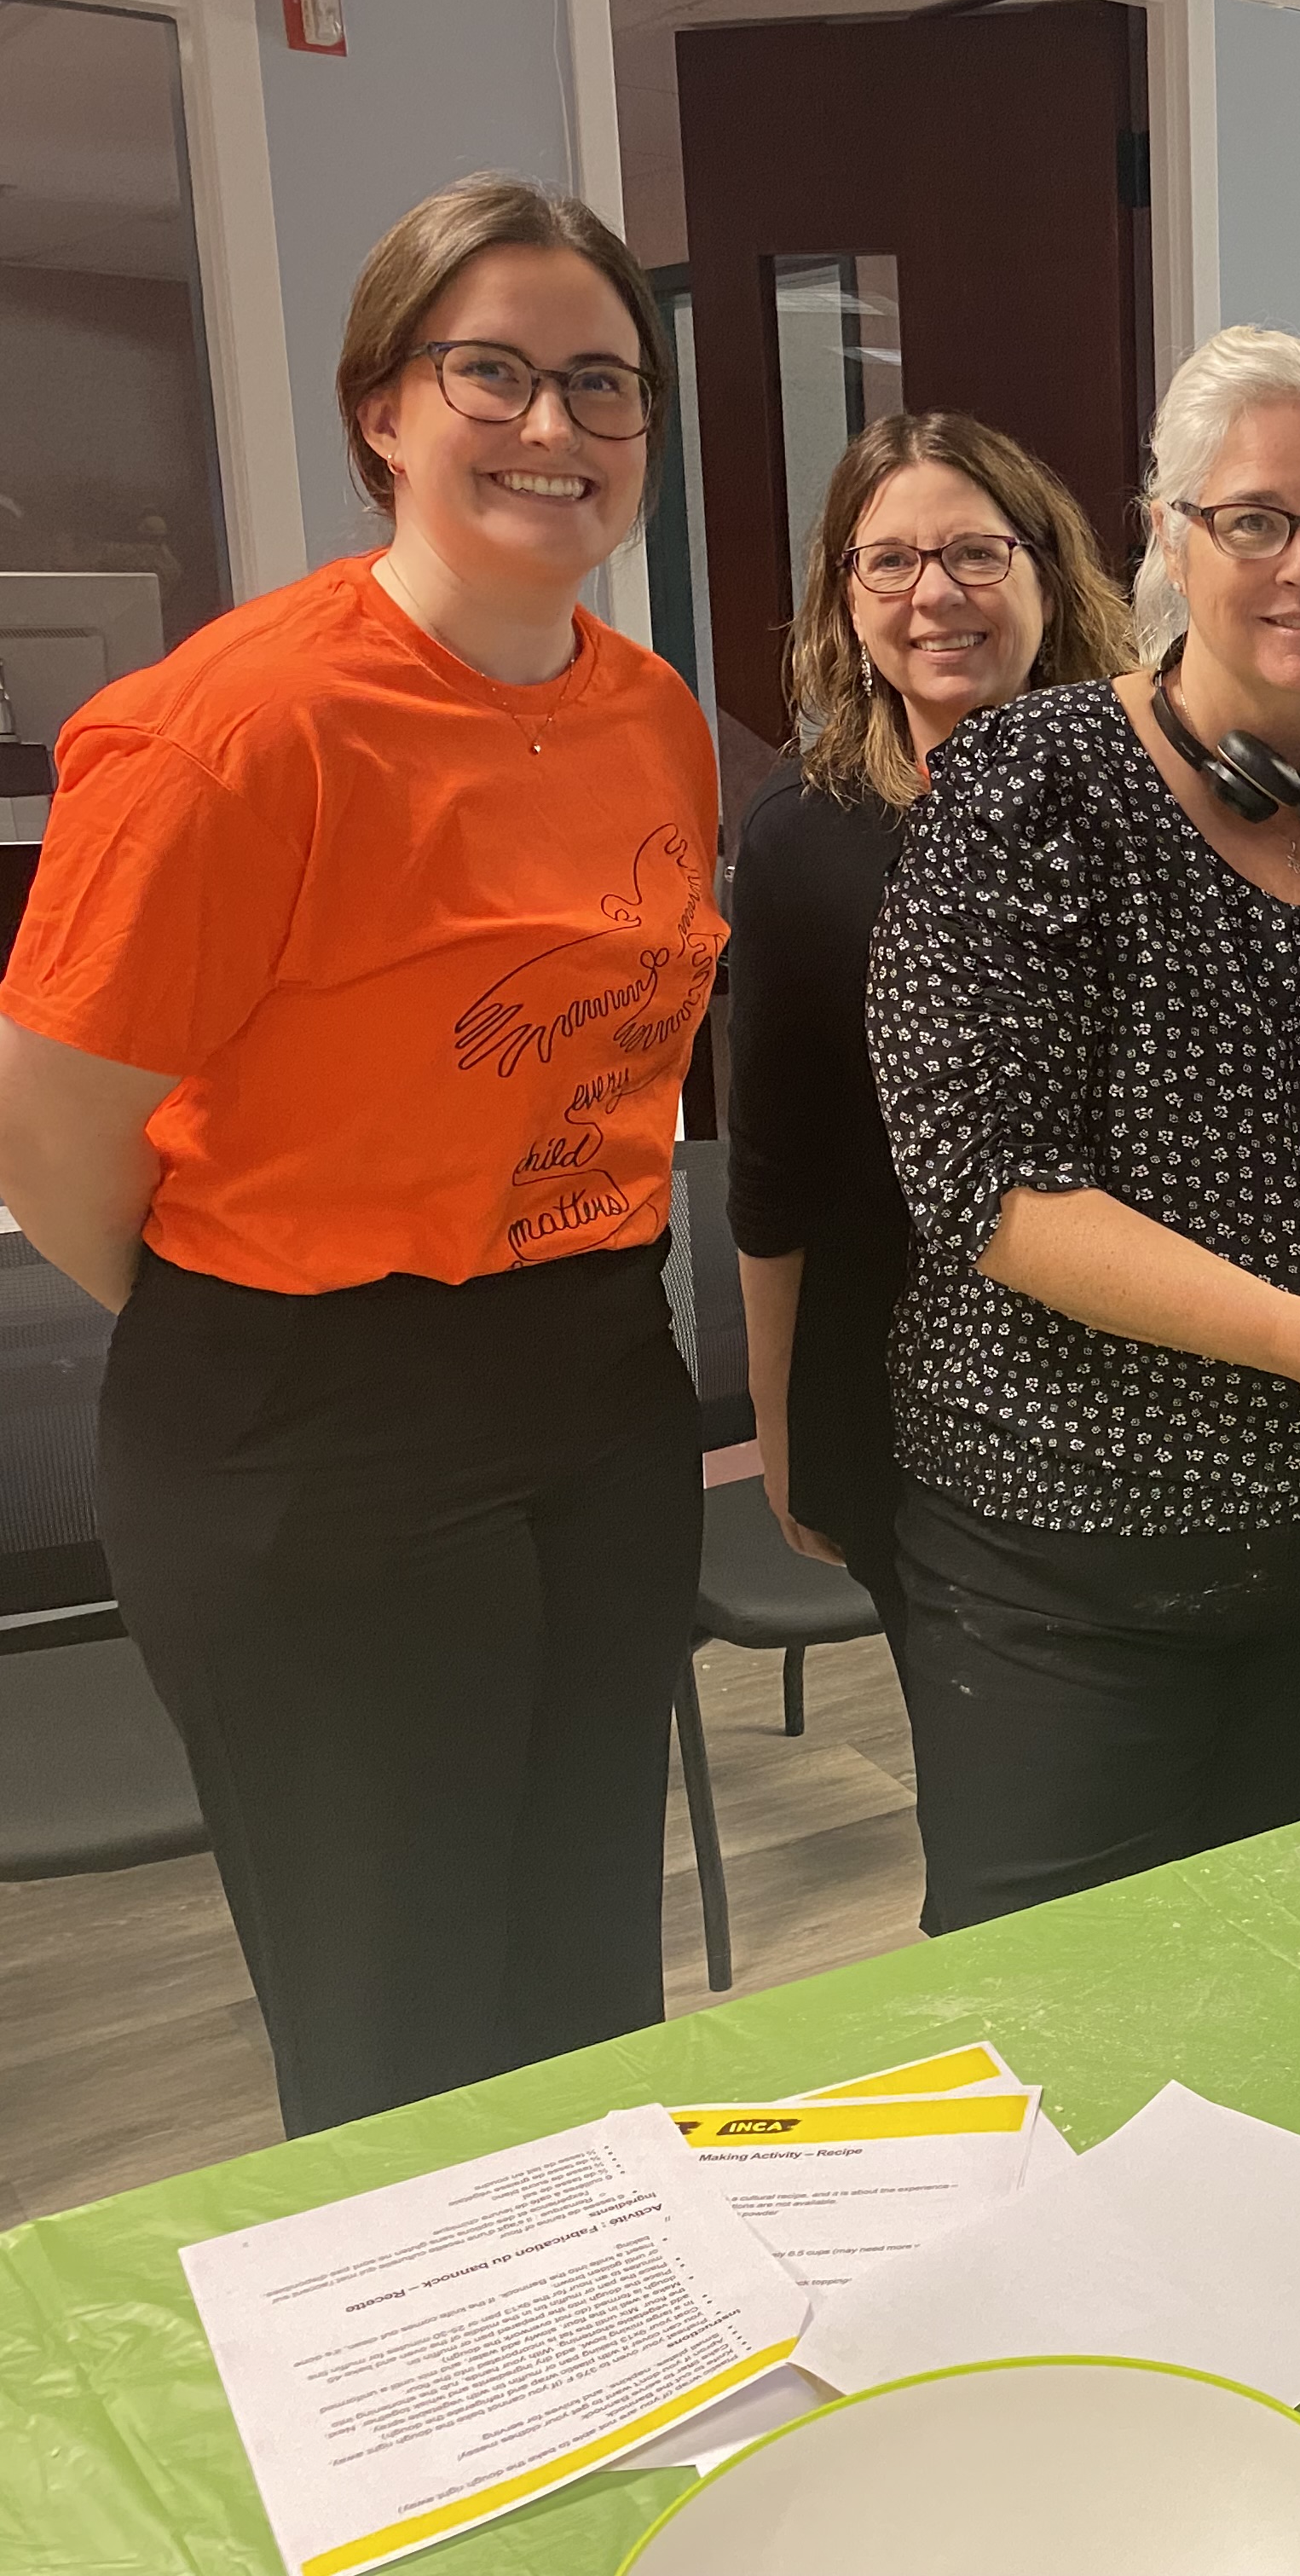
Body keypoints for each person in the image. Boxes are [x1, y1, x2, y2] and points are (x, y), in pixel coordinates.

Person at [0, 177, 721, 2133]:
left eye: (603, 382)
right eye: (492, 370)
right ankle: (437, 2422)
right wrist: (265, 1314)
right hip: (306, 1422)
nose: (555, 428)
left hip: (591, 1381)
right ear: (381, 409)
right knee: (399, 2027)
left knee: (585, 1985)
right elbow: (55, 1132)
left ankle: (612, 2388)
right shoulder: (232, 735)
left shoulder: (650, 715)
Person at [865, 326, 1300, 1932]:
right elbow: (986, 1181)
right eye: (1253, 518)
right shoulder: (1029, 783)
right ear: (1170, 536)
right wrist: (1292, 1334)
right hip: (1061, 1554)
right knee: (1052, 2024)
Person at [727, 411, 1133, 1625]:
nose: (933, 594)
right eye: (889, 561)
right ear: (843, 602)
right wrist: (777, 1422)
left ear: (1046, 579)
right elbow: (774, 1170)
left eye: (976, 554)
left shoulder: (1158, 805)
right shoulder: (802, 836)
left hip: (1142, 1378)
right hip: (893, 1383)